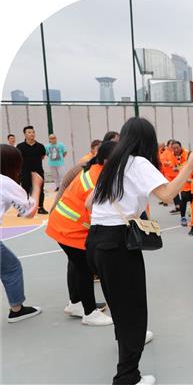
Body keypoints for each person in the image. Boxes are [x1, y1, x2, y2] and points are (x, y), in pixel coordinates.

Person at [87, 117, 193, 383]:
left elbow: (88, 203)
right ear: (148, 141)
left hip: (95, 240)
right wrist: (190, 165)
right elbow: (167, 195)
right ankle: (127, 377)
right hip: (117, 245)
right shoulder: (138, 163)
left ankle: (127, 341)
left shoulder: (113, 164)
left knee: (119, 304)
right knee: (133, 311)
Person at [46, 139, 115, 325]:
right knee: (85, 267)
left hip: (63, 224)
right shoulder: (98, 180)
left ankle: (76, 303)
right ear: (108, 161)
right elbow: (98, 217)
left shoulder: (94, 169)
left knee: (77, 264)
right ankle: (89, 313)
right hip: (71, 229)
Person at [2, 144, 42, 322]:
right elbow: (29, 212)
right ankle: (17, 309)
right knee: (11, 268)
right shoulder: (6, 183)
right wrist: (36, 186)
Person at [16, 126, 47, 210]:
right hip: (25, 171)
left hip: (38, 171)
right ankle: (25, 208)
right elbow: (18, 158)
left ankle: (40, 207)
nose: (32, 134)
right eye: (29, 132)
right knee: (25, 190)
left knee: (39, 189)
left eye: (33, 132)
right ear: (25, 134)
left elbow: (42, 157)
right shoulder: (20, 146)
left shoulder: (40, 146)